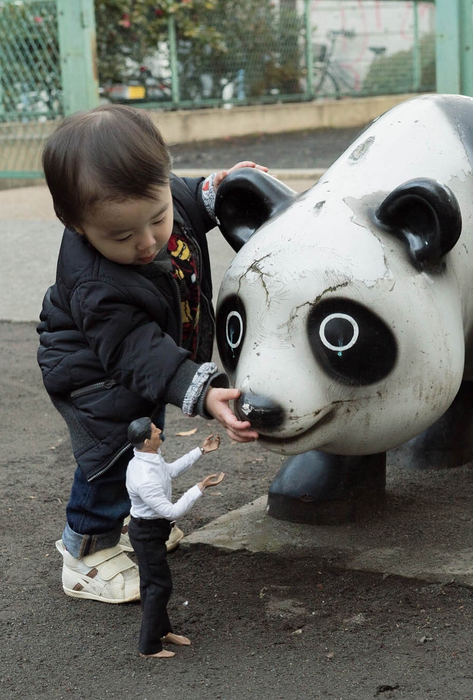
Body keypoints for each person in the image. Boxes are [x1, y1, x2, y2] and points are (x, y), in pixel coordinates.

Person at [37, 103, 260, 605]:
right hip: (95, 377)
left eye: (157, 219)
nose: (147, 242)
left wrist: (224, 188)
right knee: (112, 458)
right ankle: (85, 552)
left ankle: (141, 520)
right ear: (74, 224)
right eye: (121, 235)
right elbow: (135, 351)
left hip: (146, 365)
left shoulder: (164, 198)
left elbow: (193, 199)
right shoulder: (96, 285)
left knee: (147, 445)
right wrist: (200, 393)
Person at [125, 417, 223, 658]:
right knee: (159, 586)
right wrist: (200, 488)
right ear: (147, 440)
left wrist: (200, 451)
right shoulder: (144, 478)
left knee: (152, 585)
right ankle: (148, 646)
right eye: (155, 430)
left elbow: (170, 471)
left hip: (154, 530)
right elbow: (172, 511)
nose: (160, 430)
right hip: (147, 533)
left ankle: (162, 630)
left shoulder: (149, 458)